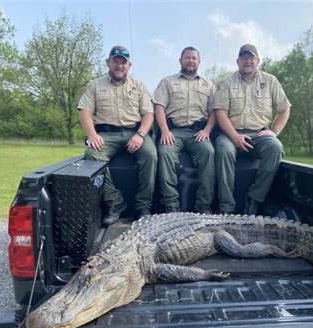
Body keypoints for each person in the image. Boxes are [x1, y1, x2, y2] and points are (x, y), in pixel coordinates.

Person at [78, 45, 157, 226]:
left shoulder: (139, 87)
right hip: (106, 135)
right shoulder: (94, 85)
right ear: (108, 63)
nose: (119, 65)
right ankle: (115, 202)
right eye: (116, 61)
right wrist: (92, 134)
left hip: (134, 133)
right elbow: (84, 111)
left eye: (123, 62)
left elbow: (148, 114)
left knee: (151, 155)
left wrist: (140, 135)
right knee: (91, 156)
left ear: (129, 65)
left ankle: (144, 206)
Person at [213, 44, 291, 215]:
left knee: (275, 147)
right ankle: (226, 206)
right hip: (231, 133)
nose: (248, 61)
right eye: (244, 58)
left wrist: (274, 131)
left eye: (251, 58)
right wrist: (235, 137)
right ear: (238, 61)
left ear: (258, 61)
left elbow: (284, 109)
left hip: (258, 134)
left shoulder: (270, 81)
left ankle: (254, 199)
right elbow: (220, 114)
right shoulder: (227, 83)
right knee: (223, 150)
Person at [153, 46, 216, 214]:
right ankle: (171, 204)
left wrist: (207, 131)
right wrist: (165, 131)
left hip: (199, 132)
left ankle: (204, 205)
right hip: (174, 131)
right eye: (187, 58)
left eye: (194, 58)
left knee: (209, 152)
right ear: (180, 61)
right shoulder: (167, 82)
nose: (190, 61)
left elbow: (215, 111)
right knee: (165, 152)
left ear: (199, 62)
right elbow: (158, 107)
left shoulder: (208, 85)